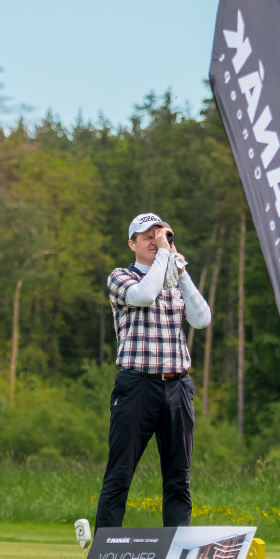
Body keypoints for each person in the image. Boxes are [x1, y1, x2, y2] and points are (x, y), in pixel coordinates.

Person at [87, 212, 213, 533]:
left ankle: (175, 552)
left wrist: (180, 271)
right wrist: (164, 258)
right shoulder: (120, 277)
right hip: (137, 386)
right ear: (132, 244)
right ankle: (104, 552)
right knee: (120, 474)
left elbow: (202, 319)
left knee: (178, 479)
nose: (156, 242)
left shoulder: (172, 278)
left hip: (178, 386)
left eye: (161, 235)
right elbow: (143, 295)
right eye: (148, 237)